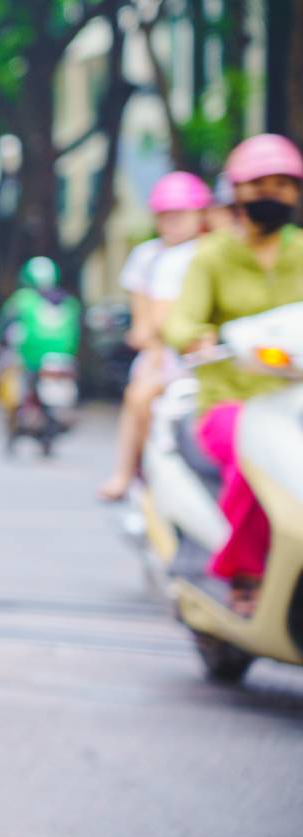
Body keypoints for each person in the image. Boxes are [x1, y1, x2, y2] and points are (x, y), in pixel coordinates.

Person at [165, 134, 303, 614]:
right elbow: (180, 319)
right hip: (230, 401)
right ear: (238, 192)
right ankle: (243, 572)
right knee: (255, 458)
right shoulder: (213, 255)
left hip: (293, 400)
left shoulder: (300, 250)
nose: (274, 194)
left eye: (285, 185)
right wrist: (196, 336)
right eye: (262, 184)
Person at [98, 172, 212, 501]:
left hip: (204, 351)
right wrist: (153, 344)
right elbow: (145, 318)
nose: (174, 223)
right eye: (167, 216)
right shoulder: (149, 257)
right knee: (139, 397)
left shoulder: (211, 252)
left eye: (181, 215)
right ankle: (131, 472)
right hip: (163, 352)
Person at [0, 257, 82, 431]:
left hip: (32, 358)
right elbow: (78, 330)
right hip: (65, 357)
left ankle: (19, 413)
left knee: (14, 378)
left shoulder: (22, 299)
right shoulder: (69, 302)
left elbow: (4, 325)